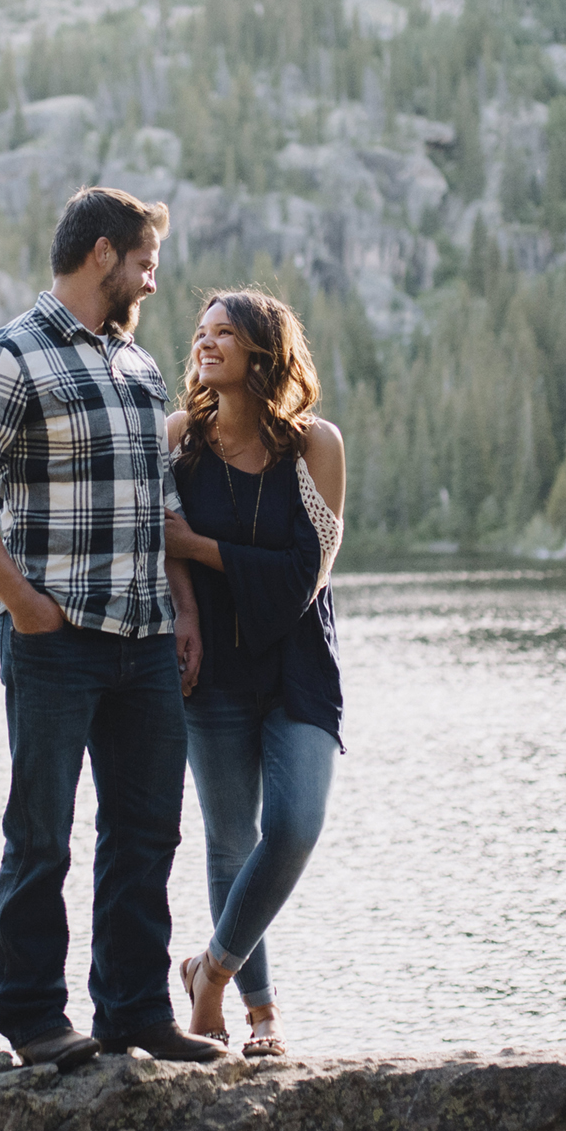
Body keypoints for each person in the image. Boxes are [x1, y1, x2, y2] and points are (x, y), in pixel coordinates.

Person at [0, 187, 227, 1070]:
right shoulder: (12, 355)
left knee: (146, 832)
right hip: (55, 644)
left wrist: (186, 614)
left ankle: (135, 1011)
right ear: (103, 254)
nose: (152, 282)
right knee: (42, 831)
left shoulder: (139, 368)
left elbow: (161, 505)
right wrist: (23, 604)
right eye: (145, 264)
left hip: (144, 641)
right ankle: (33, 1019)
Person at [162, 288, 346, 1058]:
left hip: (297, 659)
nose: (206, 344)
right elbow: (160, 544)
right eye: (202, 333)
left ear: (263, 352)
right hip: (215, 668)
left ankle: (211, 969)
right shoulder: (177, 439)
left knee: (296, 825)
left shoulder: (315, 446)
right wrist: (191, 618)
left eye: (225, 333)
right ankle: (261, 1010)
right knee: (231, 841)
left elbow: (306, 573)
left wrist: (205, 550)